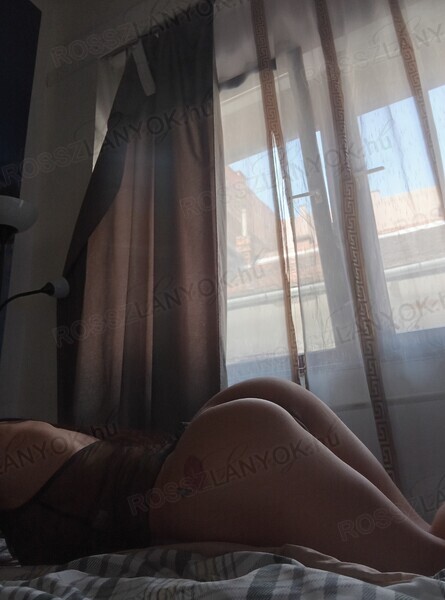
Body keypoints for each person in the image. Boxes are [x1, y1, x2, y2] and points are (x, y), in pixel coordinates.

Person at [1, 377, 445, 575]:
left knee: (430, 560)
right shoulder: (34, 438)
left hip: (208, 471)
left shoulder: (19, 452)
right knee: (427, 548)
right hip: (212, 446)